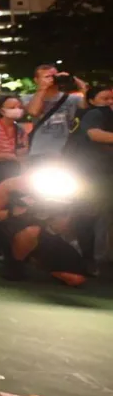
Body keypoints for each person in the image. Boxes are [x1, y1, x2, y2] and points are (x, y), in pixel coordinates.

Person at [0, 170, 87, 287]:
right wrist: (14, 213)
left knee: (77, 279)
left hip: (46, 235)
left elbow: (61, 229)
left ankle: (40, 263)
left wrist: (57, 210)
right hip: (11, 230)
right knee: (32, 231)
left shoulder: (64, 189)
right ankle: (15, 265)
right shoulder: (11, 185)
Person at [64, 84, 113, 272]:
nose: (109, 102)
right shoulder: (96, 114)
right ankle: (89, 257)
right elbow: (94, 135)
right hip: (94, 173)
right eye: (105, 98)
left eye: (112, 98)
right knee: (90, 215)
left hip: (98, 172)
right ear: (92, 101)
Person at [25, 64, 84, 159]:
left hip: (67, 151)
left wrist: (73, 79)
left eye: (54, 76)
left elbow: (92, 102)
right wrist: (42, 89)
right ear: (36, 80)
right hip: (40, 151)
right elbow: (34, 112)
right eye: (47, 77)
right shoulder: (29, 98)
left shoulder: (71, 99)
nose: (51, 79)